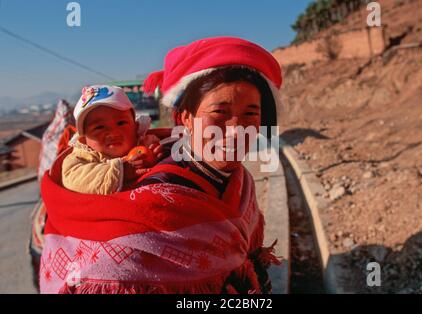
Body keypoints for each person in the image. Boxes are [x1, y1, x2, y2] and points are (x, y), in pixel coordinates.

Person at [39, 37, 282, 294]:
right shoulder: (157, 193)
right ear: (186, 117)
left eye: (250, 114)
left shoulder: (240, 181)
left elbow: (250, 255)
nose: (236, 130)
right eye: (220, 113)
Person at [61, 85, 163, 194]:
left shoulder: (144, 142)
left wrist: (154, 154)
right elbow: (73, 178)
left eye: (121, 123)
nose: (113, 133)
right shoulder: (80, 157)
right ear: (84, 138)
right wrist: (120, 171)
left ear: (136, 126)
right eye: (99, 127)